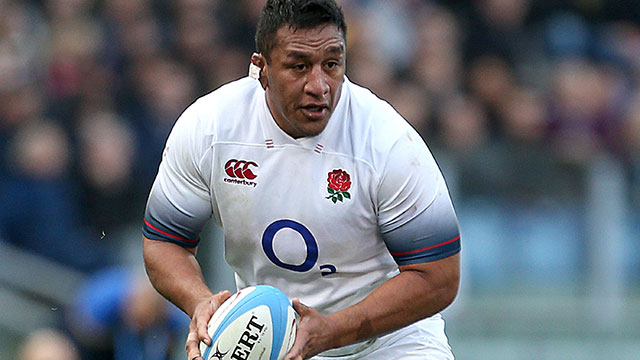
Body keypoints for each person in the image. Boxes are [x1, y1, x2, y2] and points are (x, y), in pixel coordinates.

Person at [142, 1, 461, 359]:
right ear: (261, 69)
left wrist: (332, 330)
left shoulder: (387, 142)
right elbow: (164, 242)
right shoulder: (211, 128)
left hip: (389, 343)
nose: (319, 85)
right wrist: (200, 303)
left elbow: (438, 277)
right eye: (299, 66)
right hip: (268, 341)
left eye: (332, 64)